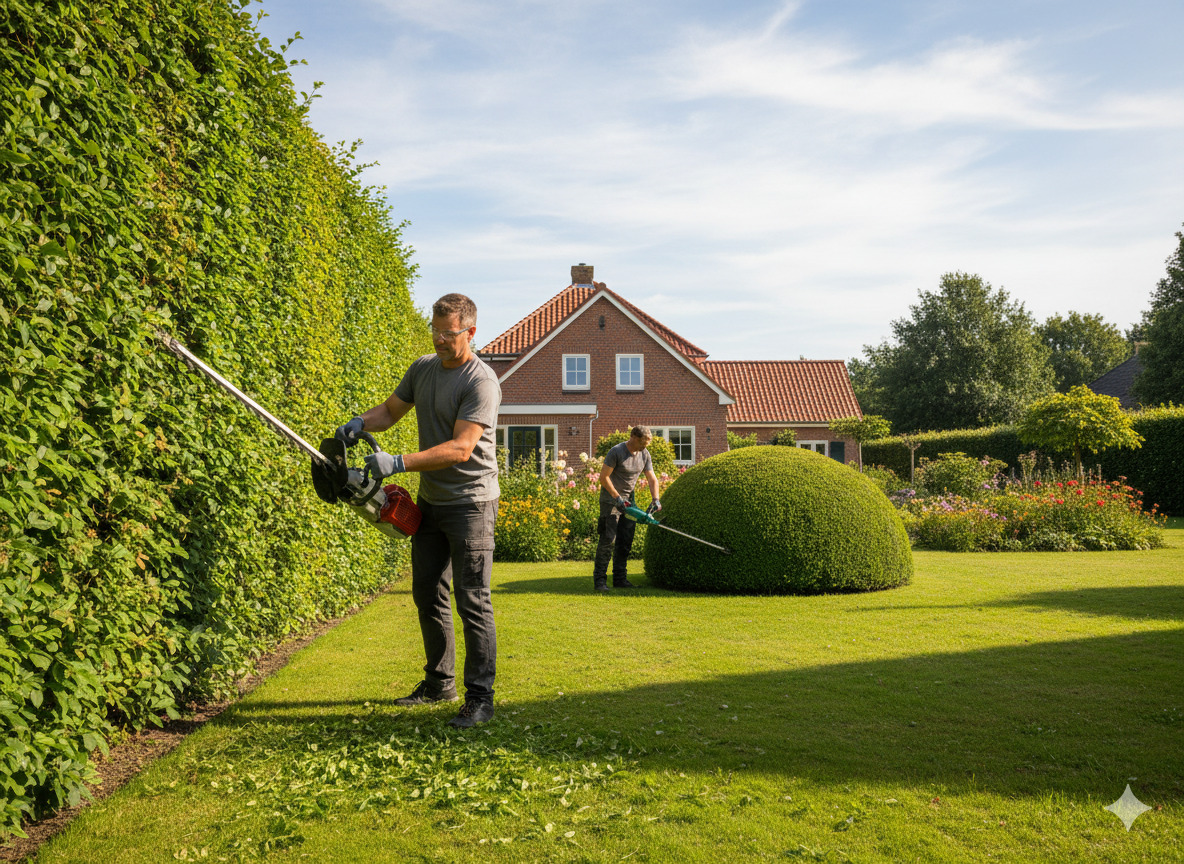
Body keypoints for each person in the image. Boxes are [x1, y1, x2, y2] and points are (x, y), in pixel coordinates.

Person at [335, 293, 501, 728]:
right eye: (436, 330)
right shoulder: (423, 368)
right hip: (432, 500)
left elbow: (463, 448)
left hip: (472, 504)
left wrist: (399, 462)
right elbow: (391, 411)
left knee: (473, 600)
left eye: (449, 333)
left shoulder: (480, 381)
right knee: (427, 592)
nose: (441, 340)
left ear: (470, 332)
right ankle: (438, 682)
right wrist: (360, 423)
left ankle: (480, 698)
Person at [593, 425, 661, 591]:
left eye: (646, 444)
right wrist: (617, 497)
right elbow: (604, 478)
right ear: (633, 437)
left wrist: (656, 499)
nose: (644, 447)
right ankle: (600, 581)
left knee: (625, 541)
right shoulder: (616, 451)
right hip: (611, 501)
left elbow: (652, 479)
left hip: (629, 503)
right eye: (642, 443)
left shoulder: (644, 454)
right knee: (608, 540)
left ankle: (620, 579)